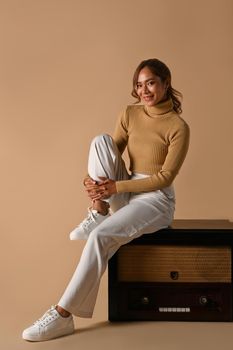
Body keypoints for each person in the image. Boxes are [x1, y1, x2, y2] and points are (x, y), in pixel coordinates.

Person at [22, 58, 190, 341]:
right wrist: (91, 183)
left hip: (156, 200)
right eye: (139, 85)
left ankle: (63, 314)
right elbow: (110, 153)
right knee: (101, 140)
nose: (144, 91)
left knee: (100, 237)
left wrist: (114, 188)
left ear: (165, 83)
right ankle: (97, 210)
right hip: (126, 189)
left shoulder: (178, 126)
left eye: (150, 83)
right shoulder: (130, 113)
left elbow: (165, 177)